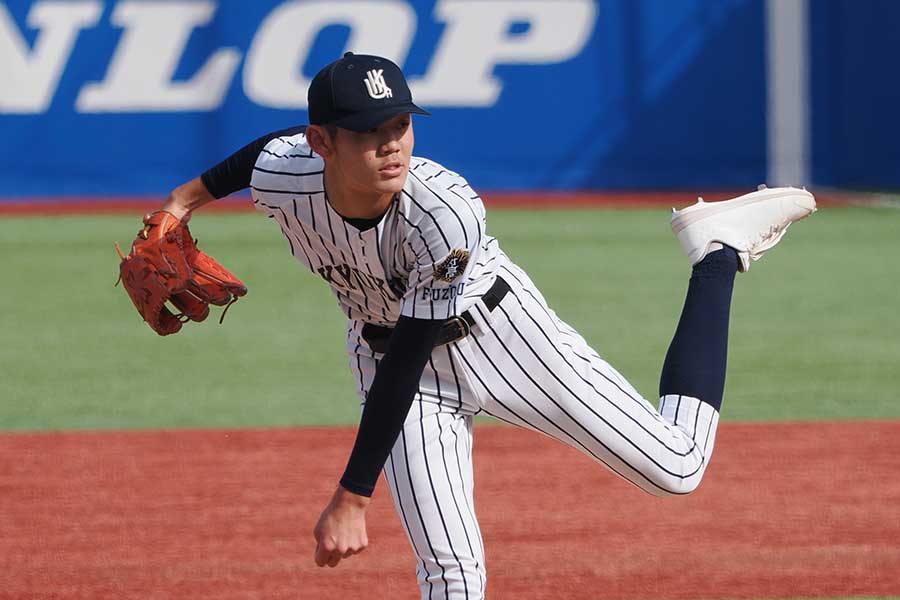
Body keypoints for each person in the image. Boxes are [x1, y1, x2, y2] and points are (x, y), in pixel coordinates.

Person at [156, 52, 816, 599]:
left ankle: (717, 251)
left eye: (400, 124)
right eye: (367, 131)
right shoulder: (286, 172)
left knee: (676, 467)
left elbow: (412, 354)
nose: (391, 144)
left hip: (502, 336)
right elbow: (249, 162)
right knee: (451, 572)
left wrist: (352, 498)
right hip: (388, 360)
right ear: (321, 142)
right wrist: (179, 205)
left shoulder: (444, 211)